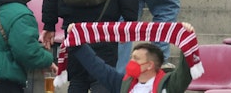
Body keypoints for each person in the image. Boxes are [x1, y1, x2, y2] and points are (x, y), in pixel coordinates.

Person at [67, 34, 195, 93]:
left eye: (136, 58)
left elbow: (185, 72)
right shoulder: (125, 83)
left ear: (149, 65)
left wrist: (187, 39)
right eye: (132, 57)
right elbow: (98, 67)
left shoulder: (168, 85)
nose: (131, 62)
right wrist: (77, 43)